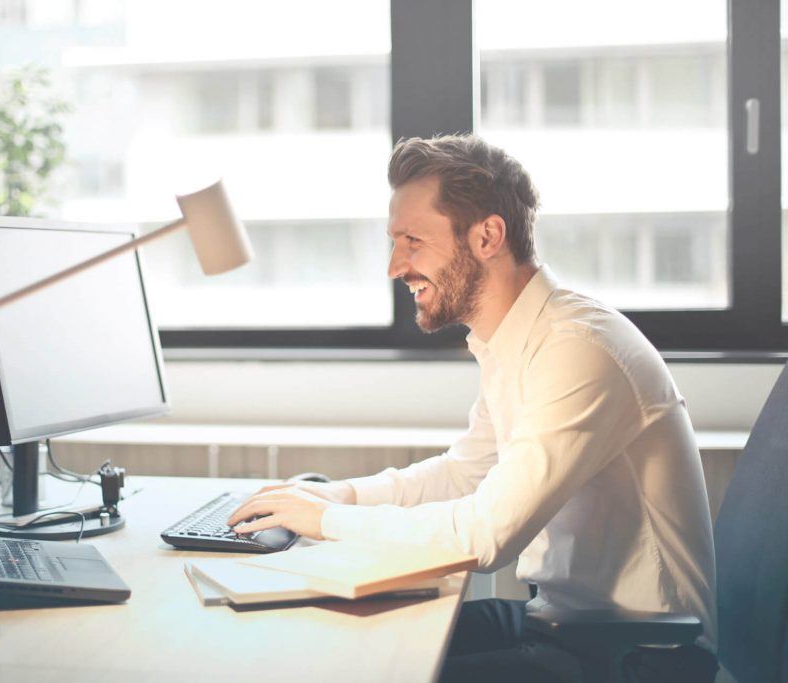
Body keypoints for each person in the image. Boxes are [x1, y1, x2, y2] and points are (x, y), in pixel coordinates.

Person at [228, 134, 718, 682]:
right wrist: (340, 495)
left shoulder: (579, 349)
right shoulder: (514, 339)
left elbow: (486, 535)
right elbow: (466, 473)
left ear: (488, 236)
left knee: (367, 668)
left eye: (413, 240)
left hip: (637, 657)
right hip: (562, 626)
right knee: (335, 640)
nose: (395, 266)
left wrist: (326, 521)